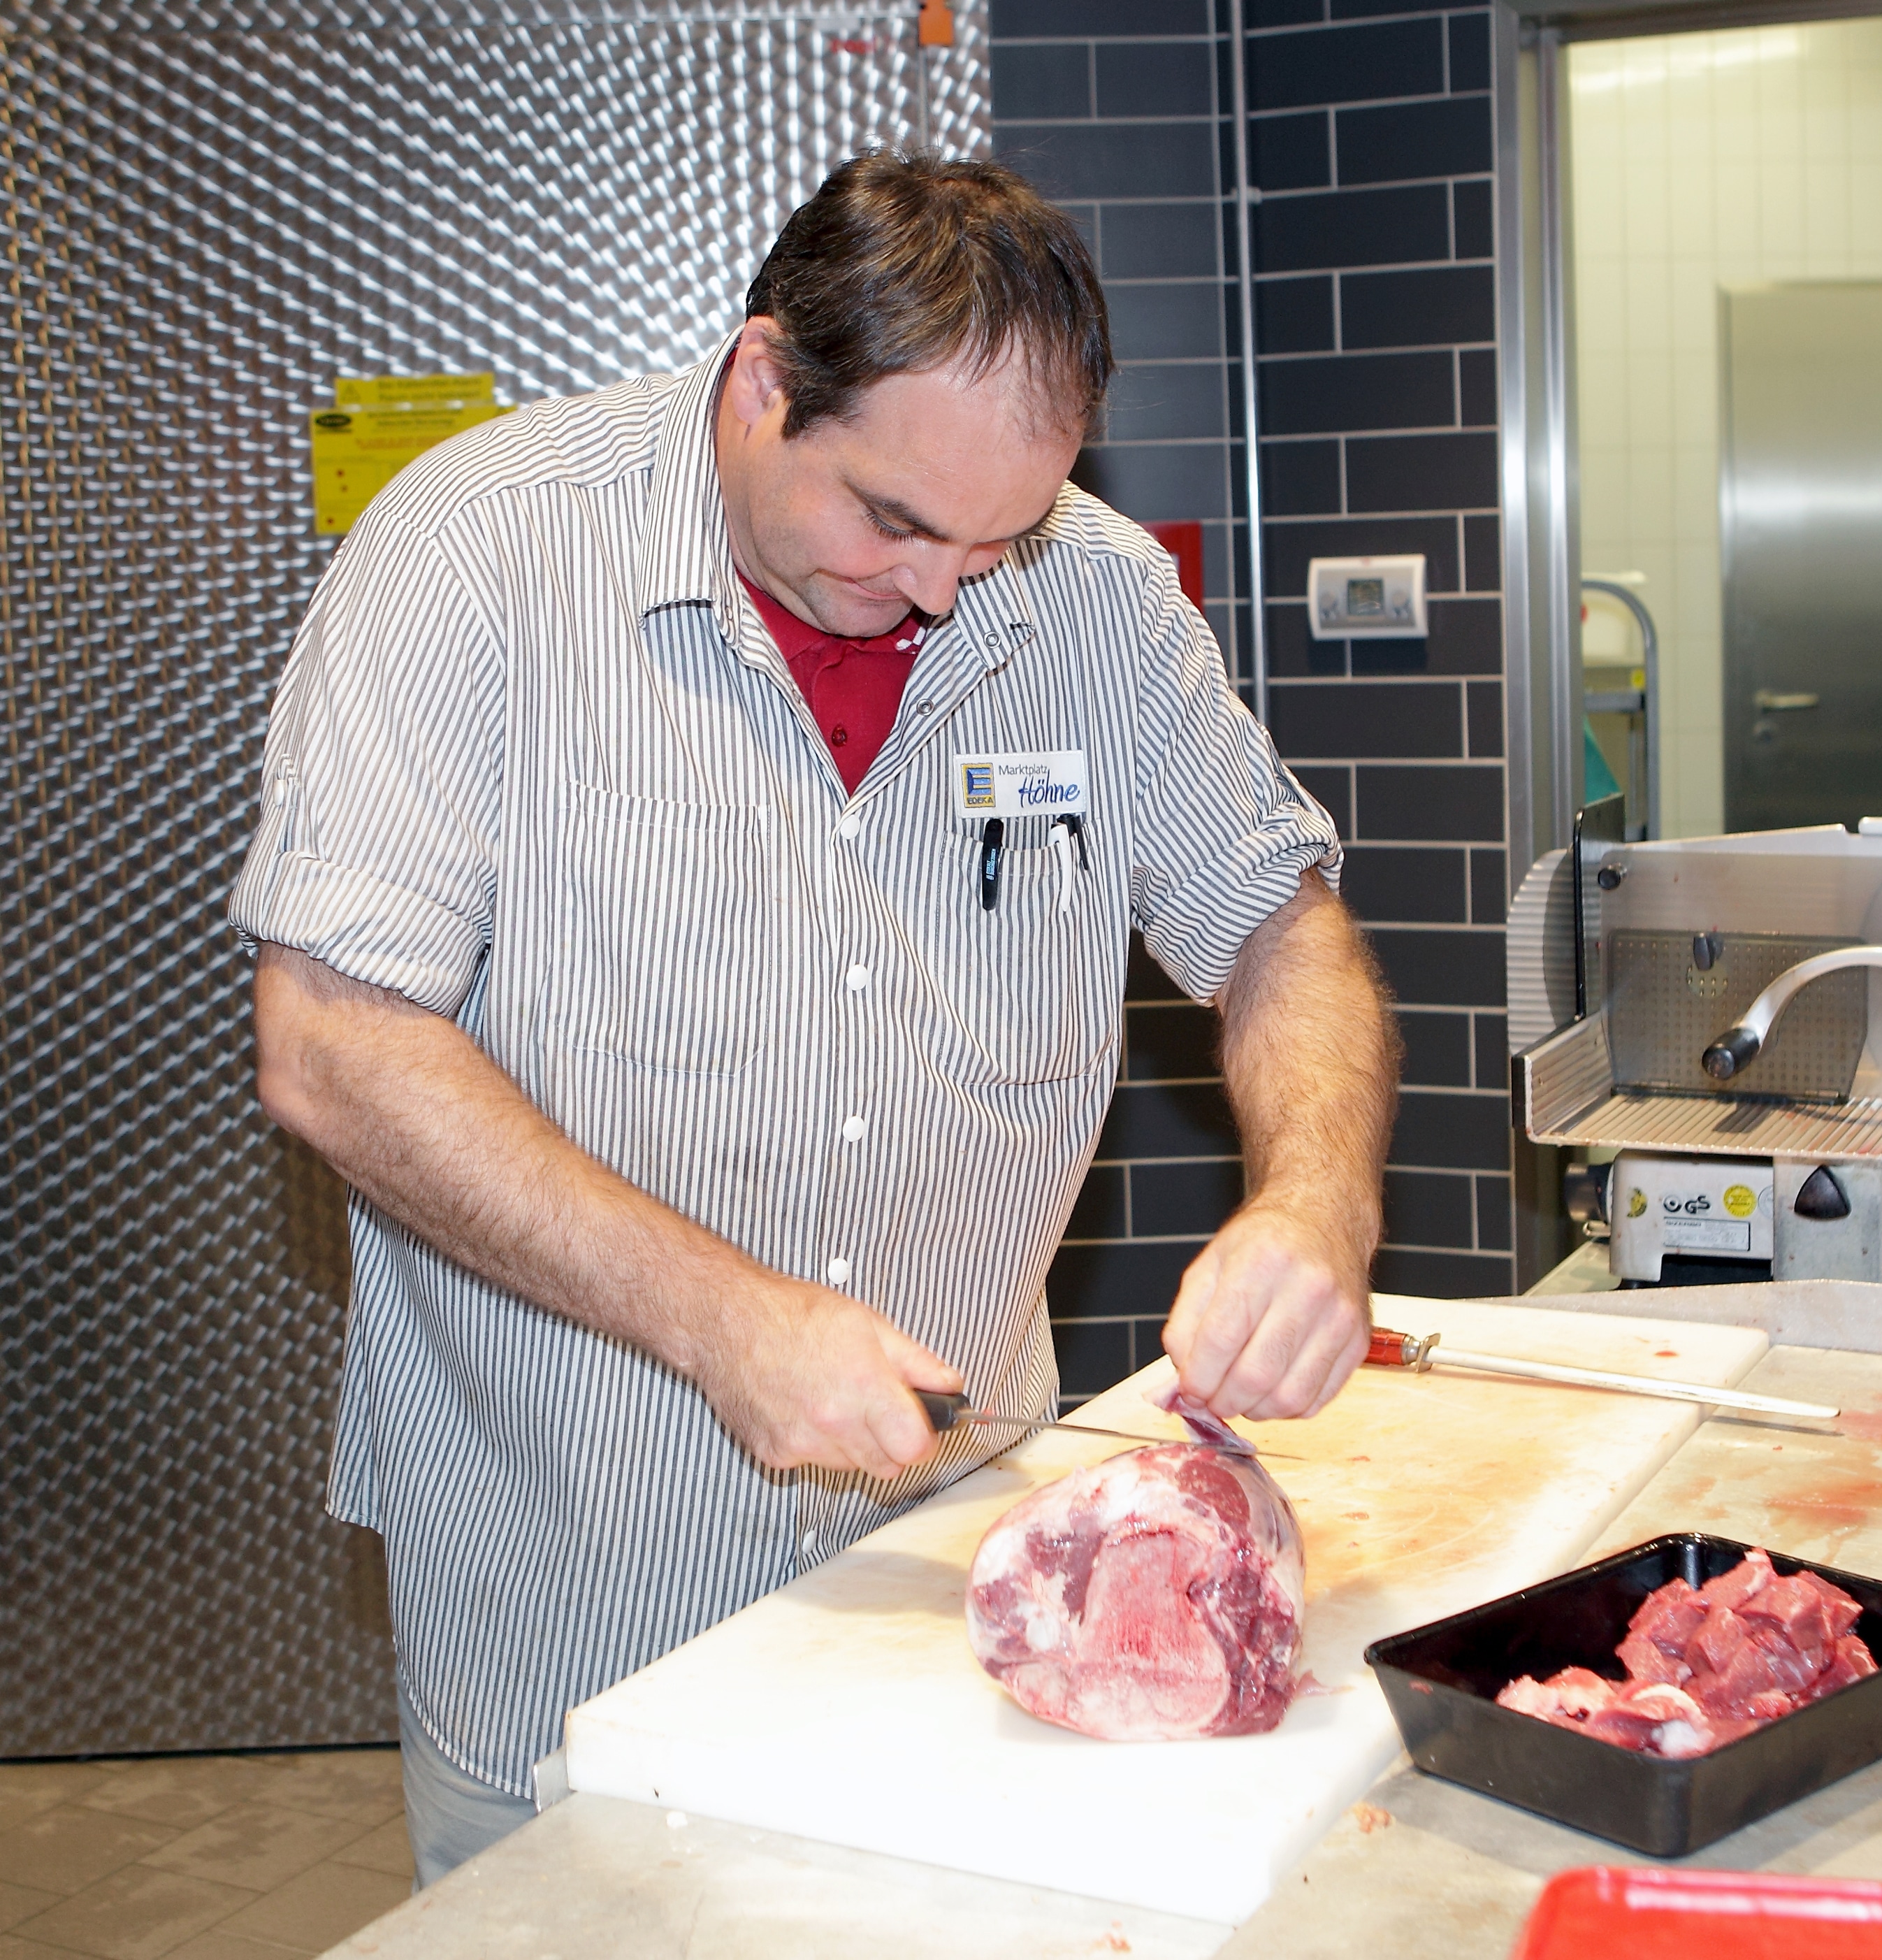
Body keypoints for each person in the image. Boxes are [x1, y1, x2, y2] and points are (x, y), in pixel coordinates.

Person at [231, 149, 1397, 1887]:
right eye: (894, 520)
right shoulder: (478, 552)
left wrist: (1315, 1200)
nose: (941, 588)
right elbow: (333, 1041)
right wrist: (723, 1319)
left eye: (997, 536)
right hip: (576, 1578)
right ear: (763, 378)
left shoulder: (1089, 595)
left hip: (965, 1574)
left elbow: (1278, 928)